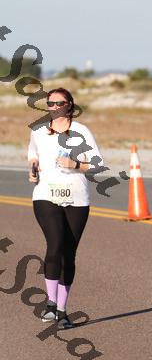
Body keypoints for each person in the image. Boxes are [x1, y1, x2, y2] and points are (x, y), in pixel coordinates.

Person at [28, 87, 103, 329]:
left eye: (59, 103)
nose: (54, 107)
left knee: (68, 254)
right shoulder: (39, 130)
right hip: (45, 195)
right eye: (50, 103)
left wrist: (74, 164)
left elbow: (97, 164)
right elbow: (33, 153)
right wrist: (33, 167)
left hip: (76, 197)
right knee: (55, 244)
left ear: (69, 105)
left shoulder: (81, 131)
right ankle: (50, 303)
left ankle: (62, 310)